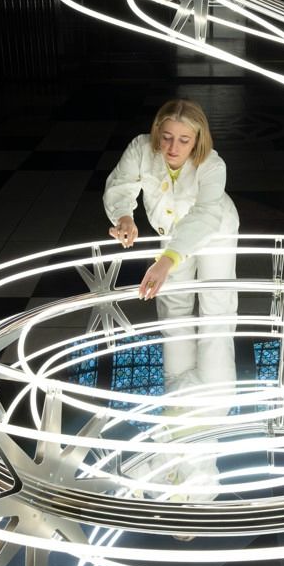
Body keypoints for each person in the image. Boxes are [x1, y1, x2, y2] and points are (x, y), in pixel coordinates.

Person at [103, 98, 239, 395]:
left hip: (215, 230)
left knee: (217, 307)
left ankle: (215, 397)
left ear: (197, 140)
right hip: (172, 233)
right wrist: (124, 216)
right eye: (166, 137)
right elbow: (122, 183)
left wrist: (168, 259)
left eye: (183, 140)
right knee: (174, 308)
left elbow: (205, 215)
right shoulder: (140, 148)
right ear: (156, 133)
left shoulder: (213, 165)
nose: (172, 147)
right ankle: (178, 394)